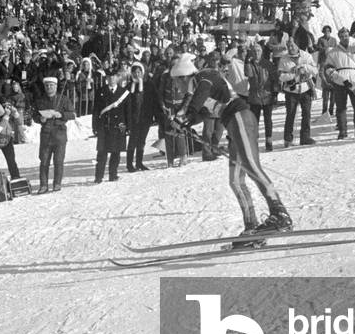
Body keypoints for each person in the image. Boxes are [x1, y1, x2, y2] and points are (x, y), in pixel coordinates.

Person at [172, 52, 293, 248]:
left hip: (240, 117)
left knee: (251, 166)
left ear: (183, 76)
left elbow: (201, 95)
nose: (177, 87)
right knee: (235, 180)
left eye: (176, 82)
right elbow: (202, 113)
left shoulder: (204, 76)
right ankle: (251, 227)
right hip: (233, 123)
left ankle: (279, 212)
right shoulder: (198, 89)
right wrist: (185, 123)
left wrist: (187, 115)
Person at [322, 26, 355, 139]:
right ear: (339, 37)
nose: (344, 38)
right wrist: (338, 78)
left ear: (349, 35)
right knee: (341, 107)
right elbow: (328, 68)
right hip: (340, 80)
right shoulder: (333, 52)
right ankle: (342, 131)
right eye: (341, 36)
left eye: (346, 35)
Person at [33, 77, 76, 194]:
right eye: (47, 85)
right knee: (44, 161)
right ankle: (43, 185)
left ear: (56, 86)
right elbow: (35, 115)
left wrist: (61, 114)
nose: (49, 87)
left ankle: (57, 183)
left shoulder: (64, 99)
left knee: (58, 161)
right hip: (46, 134)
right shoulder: (40, 100)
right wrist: (40, 118)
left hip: (60, 133)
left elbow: (72, 114)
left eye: (51, 85)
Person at [278, 38, 318, 147]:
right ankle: (288, 138)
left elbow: (315, 71)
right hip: (291, 90)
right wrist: (293, 74)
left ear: (297, 45)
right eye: (288, 46)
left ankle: (305, 137)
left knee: (306, 114)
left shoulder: (306, 56)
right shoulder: (283, 59)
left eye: (292, 45)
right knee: (290, 114)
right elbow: (281, 76)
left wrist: (304, 67)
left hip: (305, 88)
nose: (290, 48)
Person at [93, 73, 129, 183]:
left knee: (116, 152)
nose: (111, 79)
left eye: (114, 76)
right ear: (106, 78)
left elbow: (127, 111)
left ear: (118, 78)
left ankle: (113, 175)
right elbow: (96, 110)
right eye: (109, 77)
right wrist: (95, 126)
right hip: (104, 125)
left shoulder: (124, 92)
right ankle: (98, 177)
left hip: (119, 126)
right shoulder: (100, 91)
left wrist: (128, 126)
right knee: (102, 152)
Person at [124, 62, 158, 172]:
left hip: (145, 117)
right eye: (135, 72)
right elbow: (126, 104)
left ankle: (139, 163)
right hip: (133, 118)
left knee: (142, 140)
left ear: (142, 73)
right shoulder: (129, 86)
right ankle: (129, 164)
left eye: (139, 72)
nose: (137, 74)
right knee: (133, 140)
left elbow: (153, 101)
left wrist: (154, 115)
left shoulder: (149, 85)